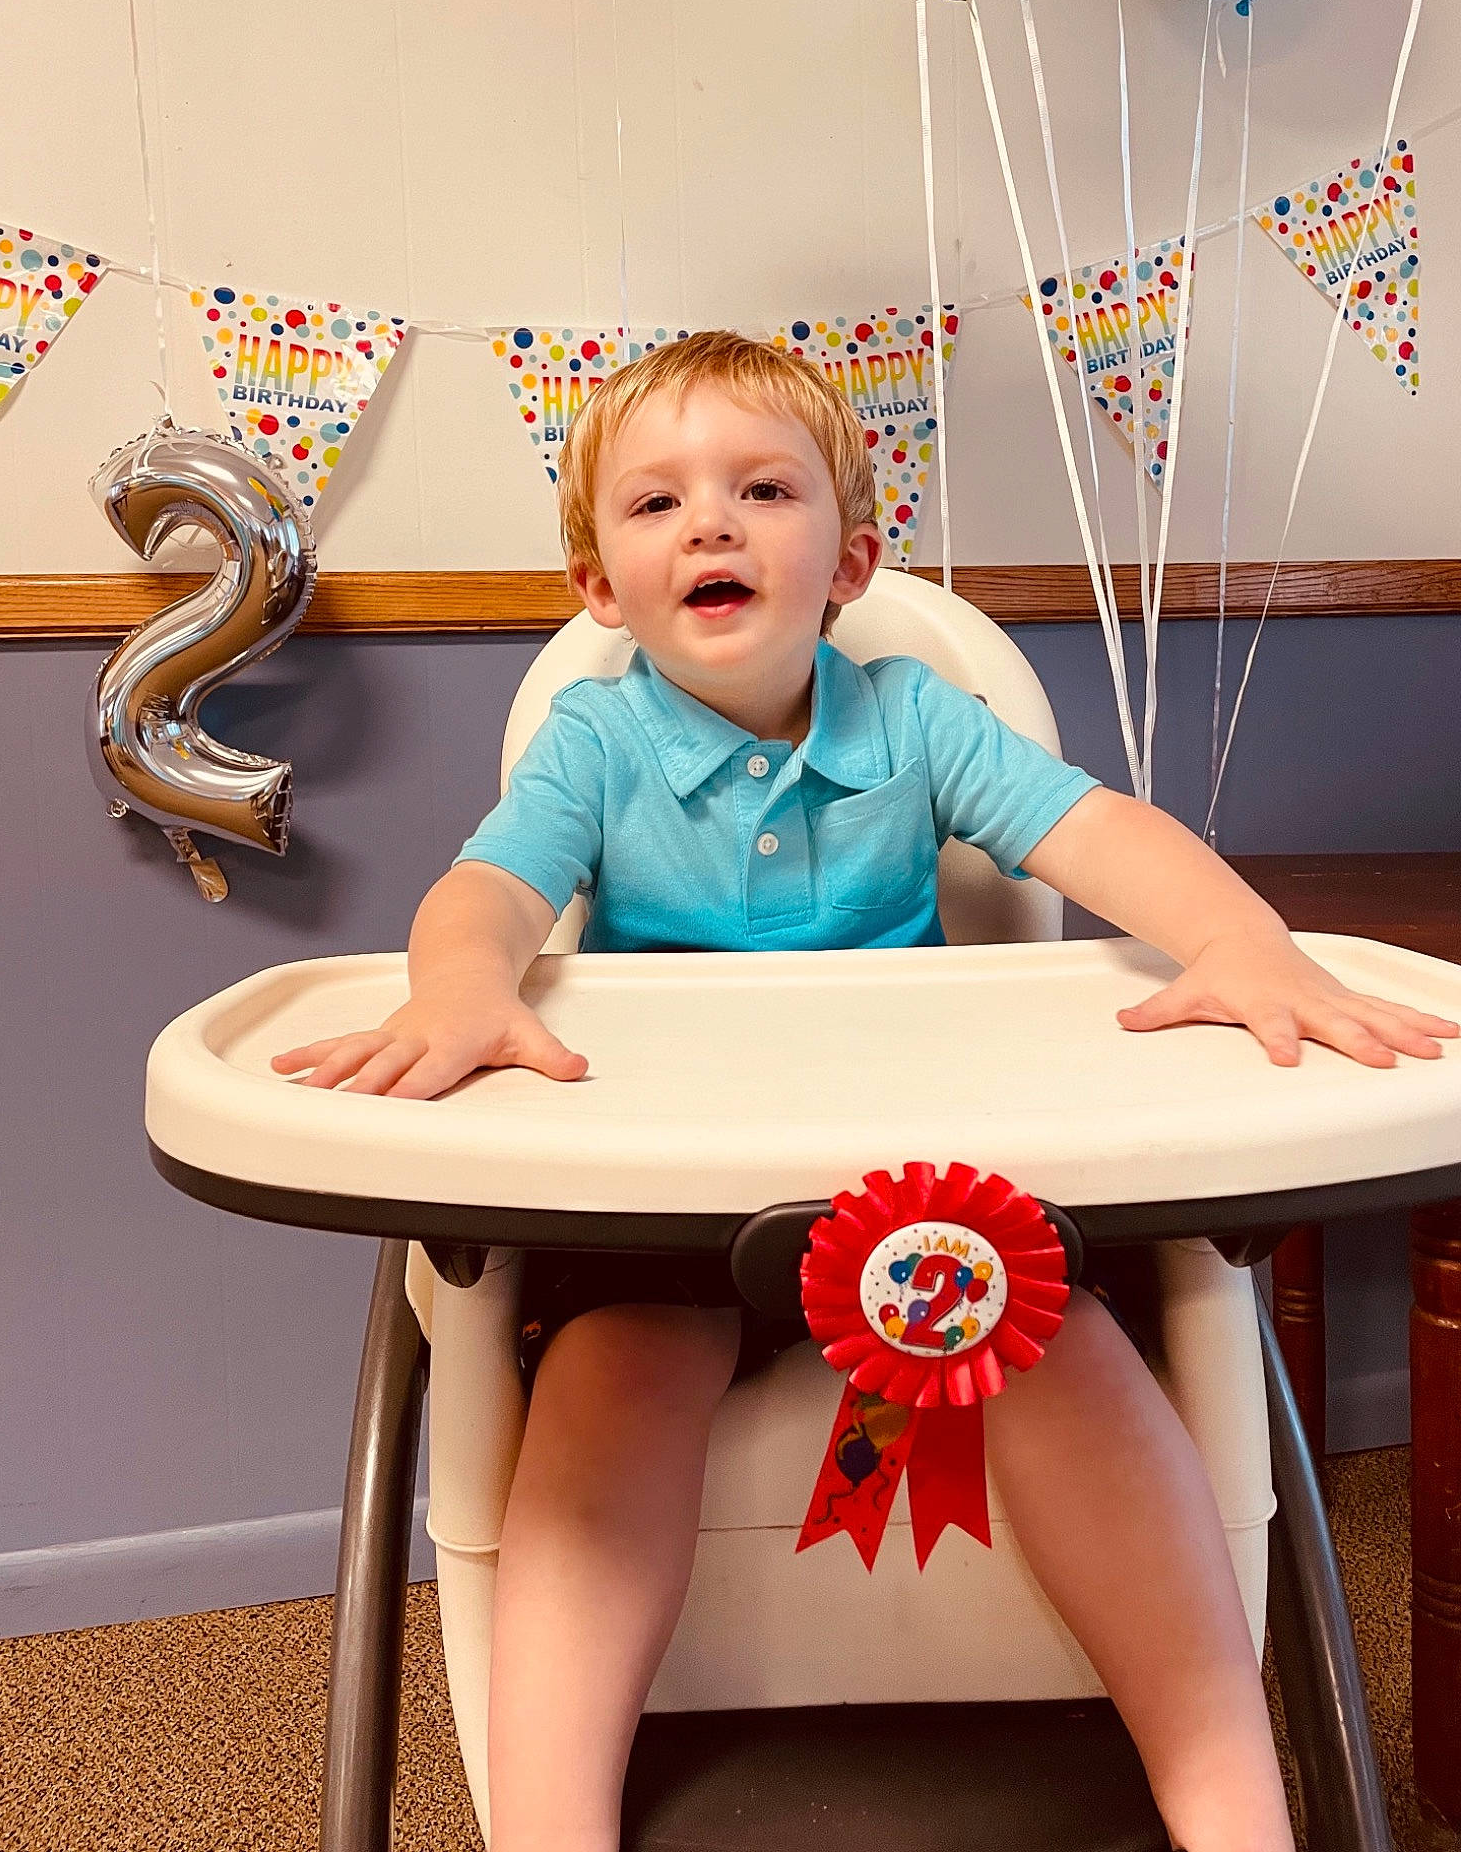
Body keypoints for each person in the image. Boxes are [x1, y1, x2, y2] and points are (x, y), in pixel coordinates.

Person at [273, 331, 1455, 1852]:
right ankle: (550, 1829)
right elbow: (489, 889)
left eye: (764, 489)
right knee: (613, 1375)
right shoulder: (598, 738)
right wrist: (461, 983)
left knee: (1075, 1348)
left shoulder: (916, 721)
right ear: (596, 587)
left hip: (926, 1206)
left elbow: (1102, 831)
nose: (711, 523)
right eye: (656, 505)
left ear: (851, 559)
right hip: (665, 1215)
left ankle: (1235, 1807)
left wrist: (1241, 945)